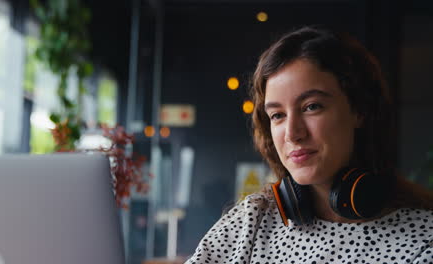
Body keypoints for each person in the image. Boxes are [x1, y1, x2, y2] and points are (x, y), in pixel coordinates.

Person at [185, 26, 433, 264]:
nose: (292, 133)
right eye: (277, 115)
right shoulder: (252, 220)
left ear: (359, 110)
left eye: (311, 107)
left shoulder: (423, 240)